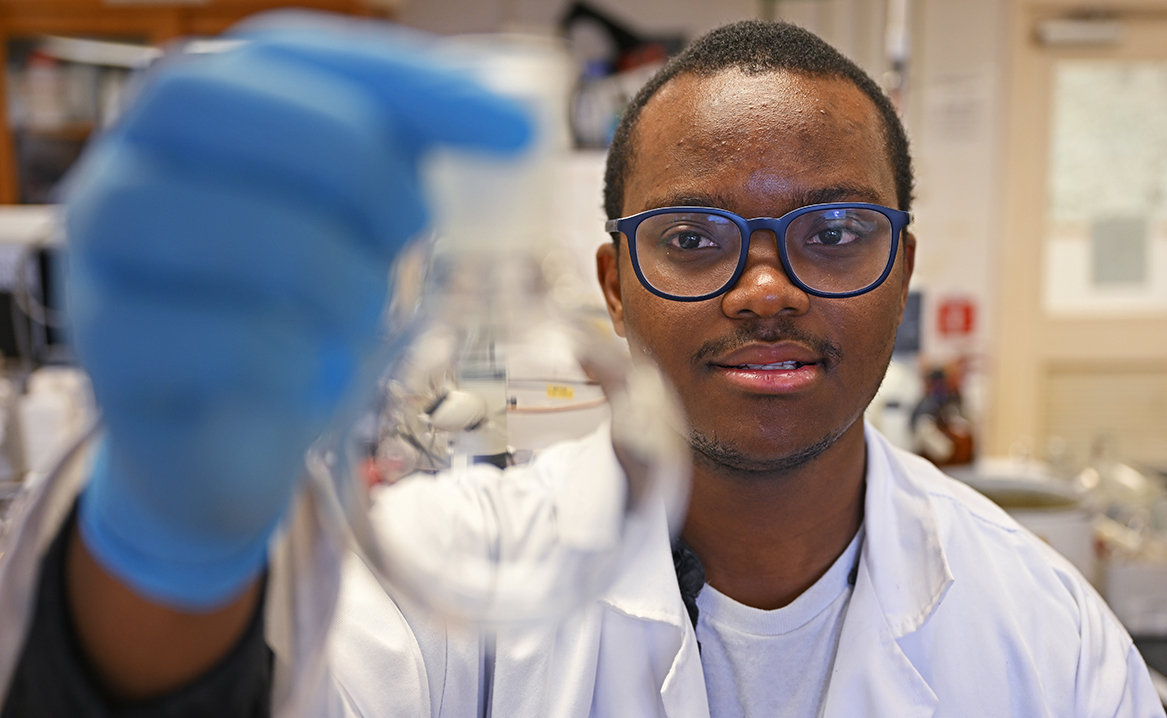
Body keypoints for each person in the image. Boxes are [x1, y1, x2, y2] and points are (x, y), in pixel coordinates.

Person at [0, 12, 1162, 718]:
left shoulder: (1044, 636)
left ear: (902, 270)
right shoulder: (451, 574)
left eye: (836, 232)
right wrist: (164, 522)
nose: (768, 289)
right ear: (612, 285)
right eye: (695, 239)